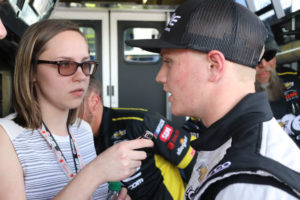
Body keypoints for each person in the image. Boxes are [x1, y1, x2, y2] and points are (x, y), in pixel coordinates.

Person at [126, 0, 300, 199]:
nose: (160, 76)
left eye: (168, 61)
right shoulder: (227, 142)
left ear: (214, 66)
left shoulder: (252, 186)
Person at [0, 19, 153, 200]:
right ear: (31, 72)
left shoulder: (82, 130)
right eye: (65, 64)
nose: (81, 76)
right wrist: (96, 171)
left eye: (85, 64)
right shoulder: (6, 137)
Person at [79, 75, 197, 200]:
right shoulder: (72, 142)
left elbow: (196, 159)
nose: (65, 113)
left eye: (73, 106)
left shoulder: (140, 123)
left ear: (94, 102)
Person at [255, 23, 300, 147]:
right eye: (255, 58)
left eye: (269, 55)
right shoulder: (233, 99)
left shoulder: (293, 78)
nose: (263, 64)